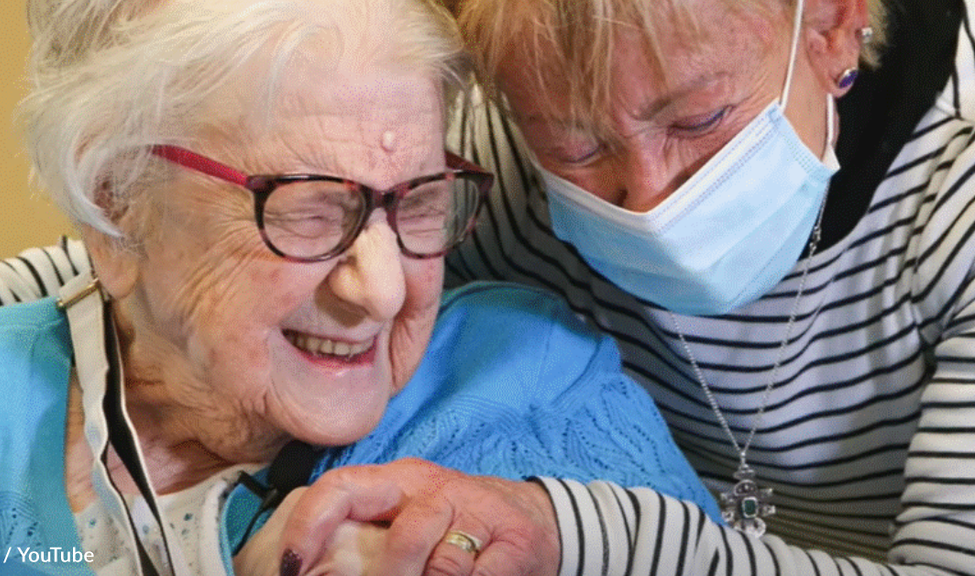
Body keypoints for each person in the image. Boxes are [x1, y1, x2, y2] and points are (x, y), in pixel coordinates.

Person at [0, 0, 721, 574]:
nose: (381, 290)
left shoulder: (539, 387)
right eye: (310, 210)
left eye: (420, 201)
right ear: (117, 204)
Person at [265, 0, 975, 574]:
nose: (648, 198)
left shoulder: (952, 204)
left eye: (699, 120)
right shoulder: (499, 171)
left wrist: (571, 536)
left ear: (832, 28)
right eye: (577, 149)